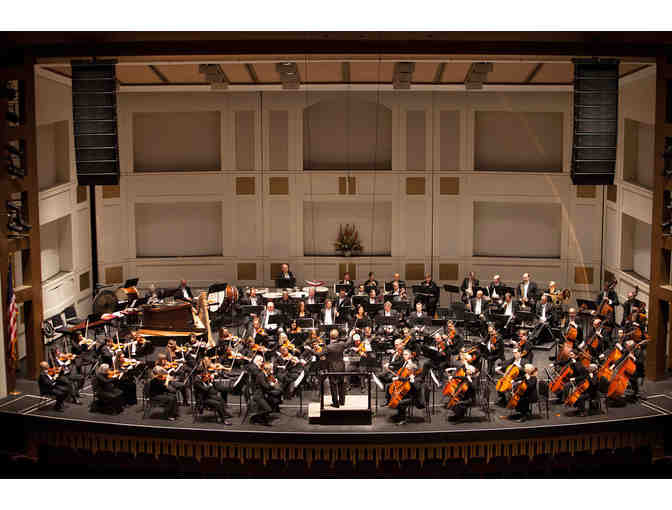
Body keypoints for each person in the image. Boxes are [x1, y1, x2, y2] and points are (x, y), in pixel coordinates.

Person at [326, 328, 351, 408]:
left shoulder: (328, 347)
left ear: (330, 337)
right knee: (341, 384)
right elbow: (348, 342)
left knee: (333, 385)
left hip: (332, 368)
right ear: (337, 336)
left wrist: (310, 350)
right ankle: (342, 401)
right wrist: (351, 335)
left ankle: (335, 403)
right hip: (341, 366)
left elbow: (319, 354)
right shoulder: (341, 344)